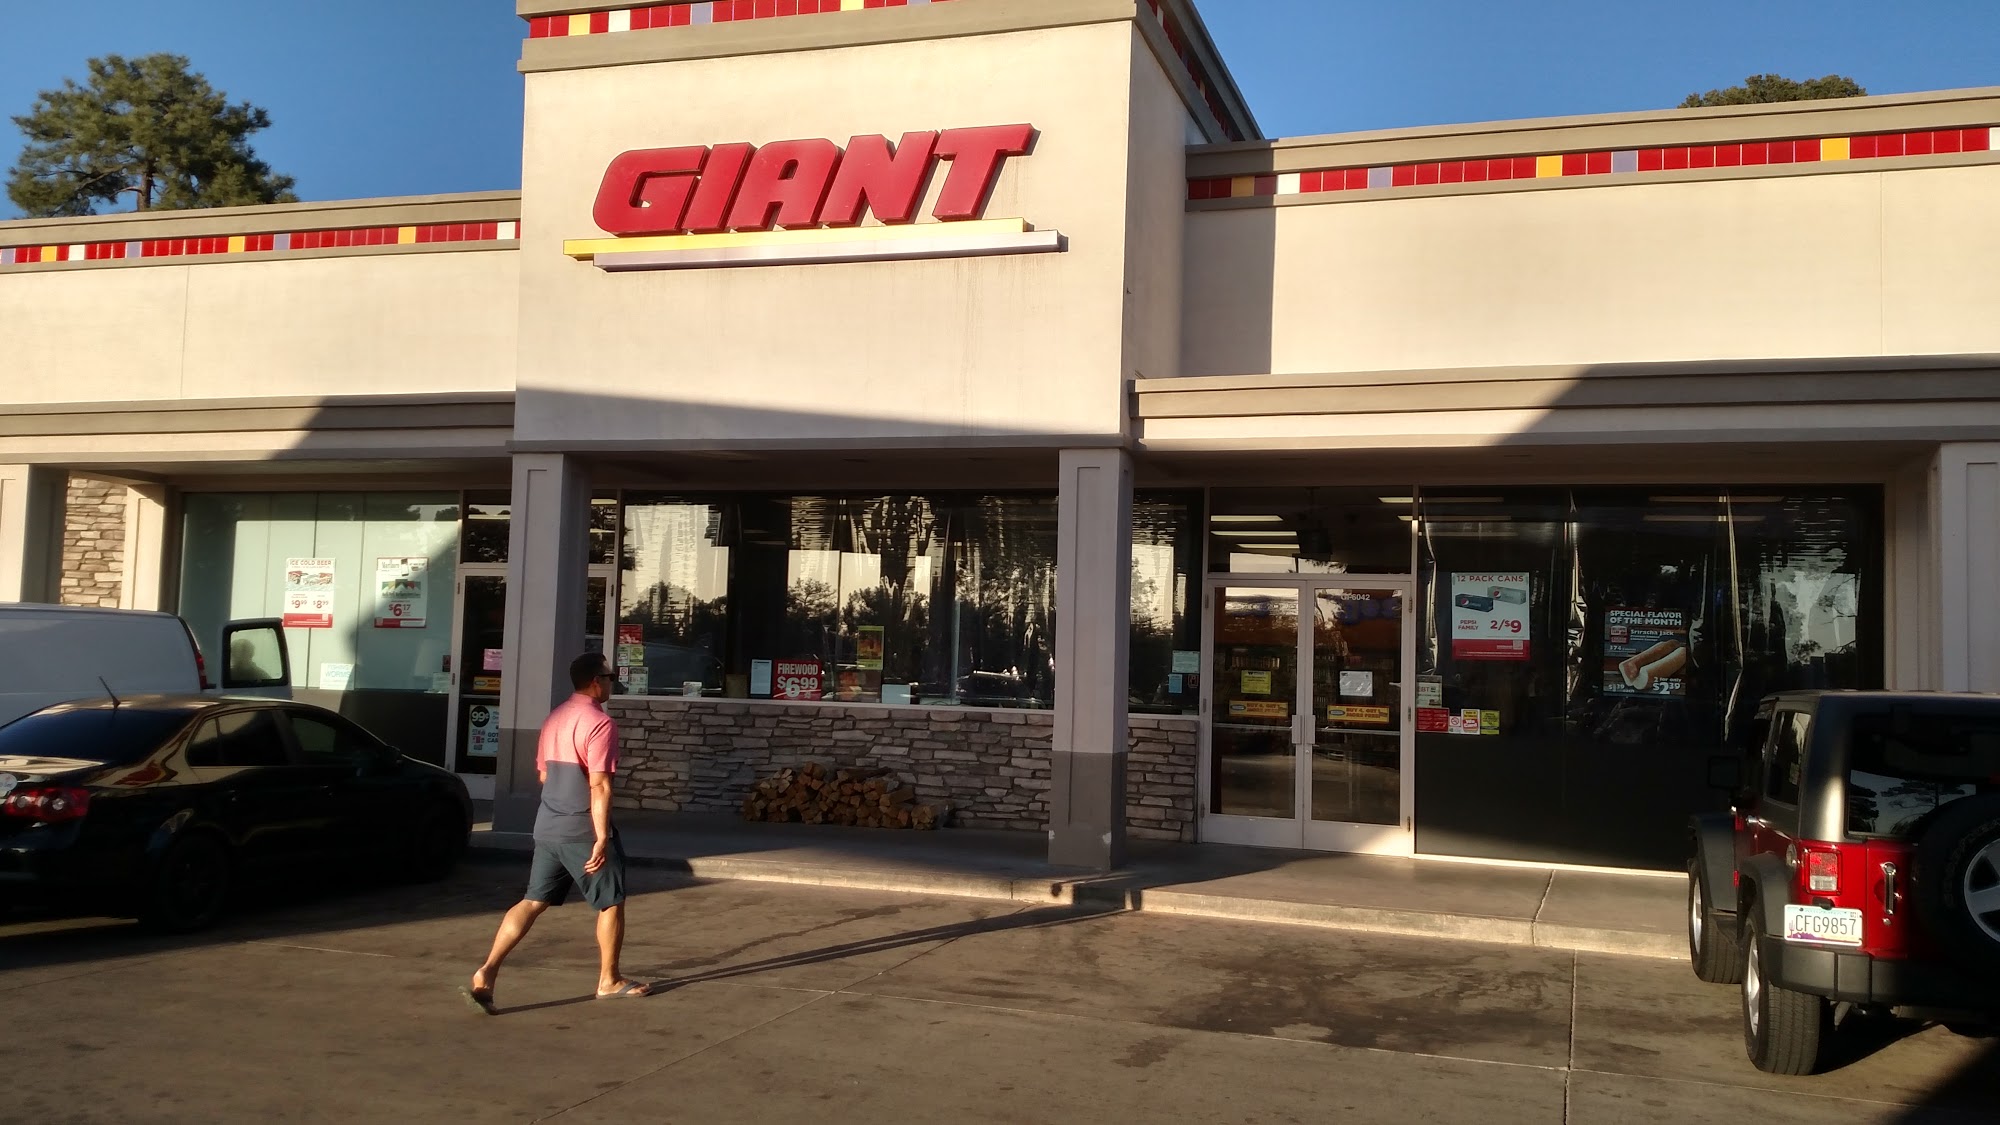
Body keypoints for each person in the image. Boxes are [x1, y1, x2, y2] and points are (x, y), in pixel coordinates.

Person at [464, 652, 650, 1012]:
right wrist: (602, 837)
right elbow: (599, 785)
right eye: (610, 677)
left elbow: (544, 775)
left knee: (532, 901)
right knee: (611, 902)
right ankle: (609, 980)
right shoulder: (600, 723)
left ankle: (487, 970)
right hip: (582, 828)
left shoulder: (554, 719)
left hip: (548, 826)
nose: (612, 683)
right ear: (596, 681)